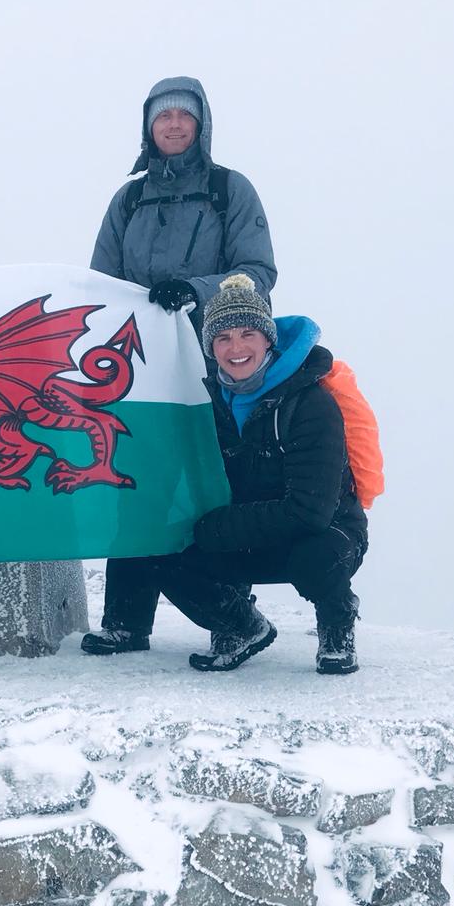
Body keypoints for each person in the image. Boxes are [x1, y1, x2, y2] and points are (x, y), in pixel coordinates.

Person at [84, 76, 277, 655]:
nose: (172, 125)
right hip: (139, 369)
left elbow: (258, 274)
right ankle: (125, 623)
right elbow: (98, 282)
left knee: (215, 487)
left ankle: (232, 620)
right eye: (162, 116)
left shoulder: (229, 190)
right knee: (133, 480)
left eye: (183, 117)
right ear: (148, 126)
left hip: (215, 364)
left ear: (201, 125)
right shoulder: (129, 199)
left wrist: (192, 289)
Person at [107, 274, 369, 674]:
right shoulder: (207, 404)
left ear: (269, 340)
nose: (236, 347)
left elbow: (310, 511)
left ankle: (337, 622)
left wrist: (218, 527)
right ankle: (242, 626)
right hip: (252, 532)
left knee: (315, 557)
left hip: (324, 532)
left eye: (248, 333)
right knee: (160, 551)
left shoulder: (310, 404)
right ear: (210, 348)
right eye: (223, 337)